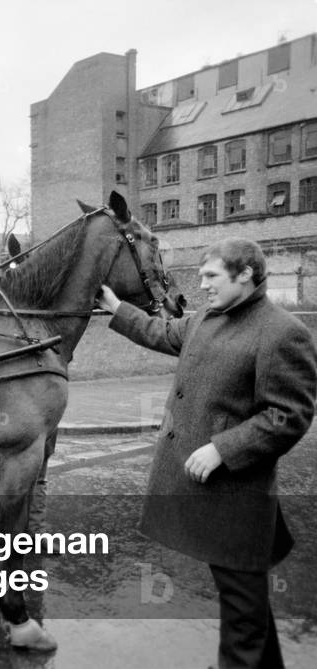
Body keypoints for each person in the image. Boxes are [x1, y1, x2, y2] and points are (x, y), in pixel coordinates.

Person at [98, 238, 316, 669]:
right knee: (244, 600)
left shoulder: (282, 331)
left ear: (246, 275)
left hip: (237, 495)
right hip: (214, 497)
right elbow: (160, 331)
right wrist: (115, 306)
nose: (201, 285)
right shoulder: (203, 319)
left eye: (211, 275)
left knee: (243, 615)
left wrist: (223, 448)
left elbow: (290, 415)